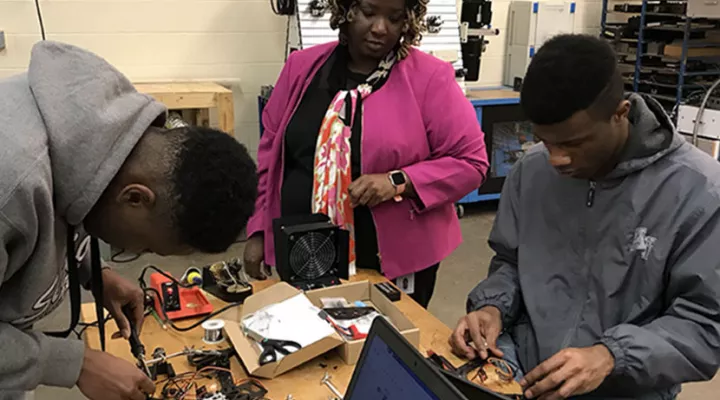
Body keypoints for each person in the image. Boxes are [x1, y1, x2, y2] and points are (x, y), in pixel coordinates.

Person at [450, 34, 720, 399]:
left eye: (574, 144)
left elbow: (705, 323)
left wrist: (611, 355)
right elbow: (511, 261)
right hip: (523, 379)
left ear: (620, 113)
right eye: (546, 141)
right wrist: (492, 306)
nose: (557, 159)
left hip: (623, 389)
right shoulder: (532, 172)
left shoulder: (699, 192)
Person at [0, 41, 258, 400]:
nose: (138, 252)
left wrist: (95, 272)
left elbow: (75, 195)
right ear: (135, 197)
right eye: (146, 247)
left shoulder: (100, 140)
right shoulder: (9, 185)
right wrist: (74, 363)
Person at [242, 0, 488, 308]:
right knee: (311, 341)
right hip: (303, 249)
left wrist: (399, 181)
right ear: (345, 10)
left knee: (385, 345)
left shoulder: (429, 77)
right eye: (369, 13)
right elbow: (271, 156)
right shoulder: (302, 68)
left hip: (393, 261)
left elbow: (471, 162)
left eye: (395, 18)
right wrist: (257, 229)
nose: (381, 28)